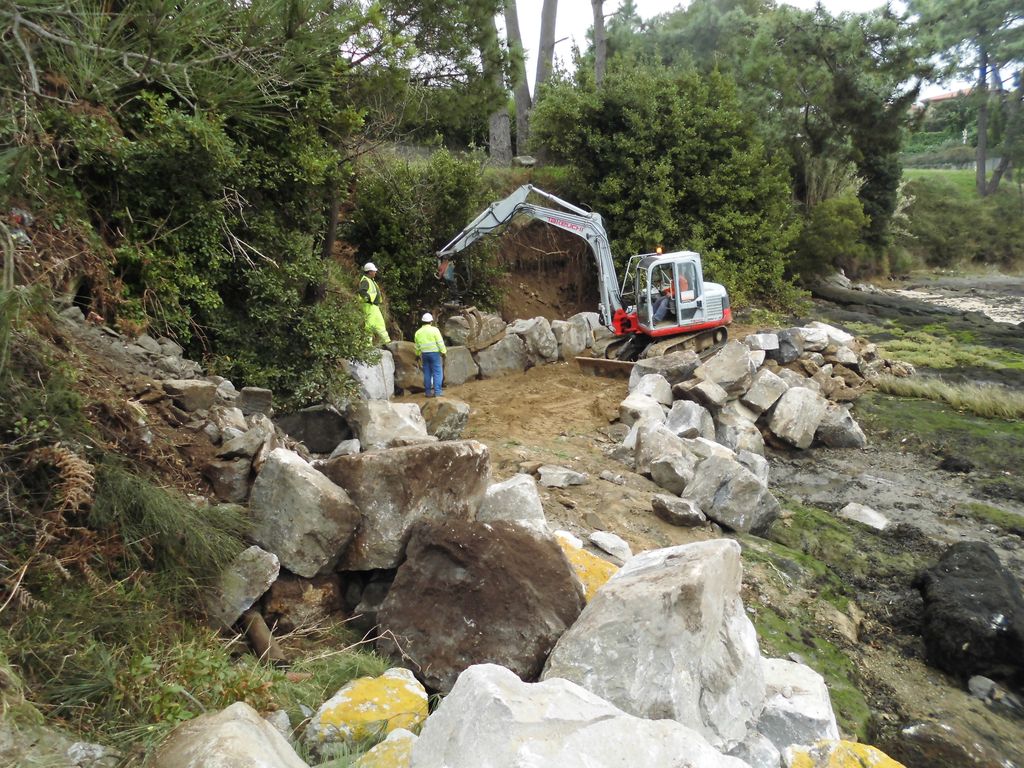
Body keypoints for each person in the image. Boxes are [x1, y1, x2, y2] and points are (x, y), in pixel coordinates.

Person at [414, 312, 447, 397]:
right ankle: (437, 392)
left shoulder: (418, 332)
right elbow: (440, 342)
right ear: (431, 321)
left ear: (422, 321)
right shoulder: (435, 330)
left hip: (424, 354)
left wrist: (417, 355)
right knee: (437, 372)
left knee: (427, 373)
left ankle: (428, 392)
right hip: (434, 354)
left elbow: (417, 346)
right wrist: (443, 352)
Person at [358, 262, 391, 345]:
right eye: (374, 271)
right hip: (369, 306)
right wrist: (368, 299)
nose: (375, 272)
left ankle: (387, 342)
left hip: (374, 306)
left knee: (380, 324)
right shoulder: (365, 280)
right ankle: (367, 345)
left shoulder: (371, 280)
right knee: (370, 325)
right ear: (369, 272)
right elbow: (361, 291)